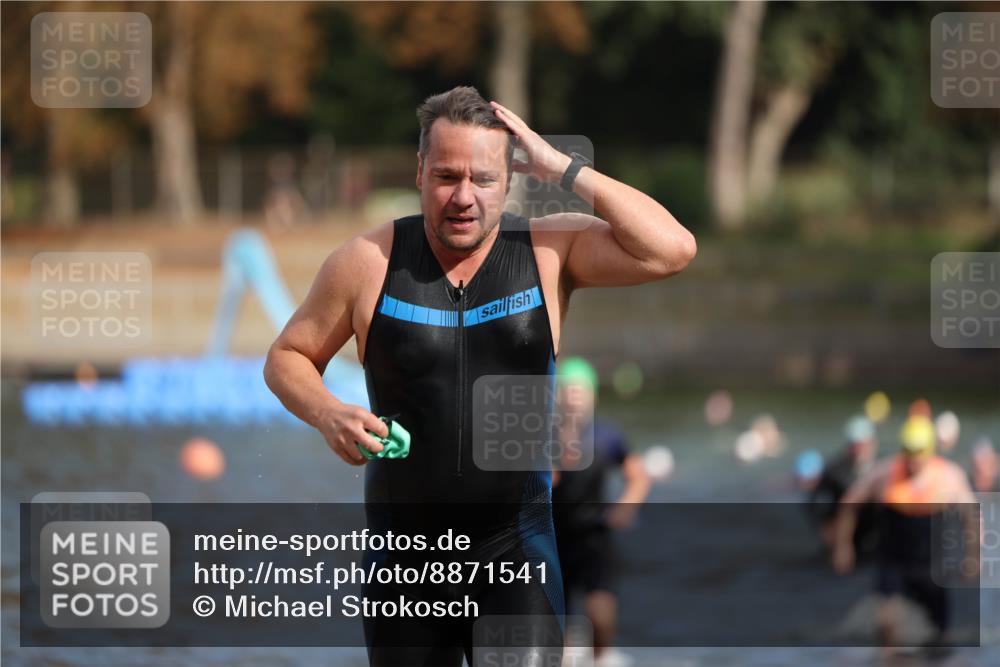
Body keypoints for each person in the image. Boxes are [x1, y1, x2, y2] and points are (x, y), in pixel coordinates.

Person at [264, 86, 696, 666]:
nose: (463, 197)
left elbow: (671, 250)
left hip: (514, 552)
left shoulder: (547, 247)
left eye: (484, 179)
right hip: (404, 563)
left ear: (511, 179)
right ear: (419, 171)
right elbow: (287, 357)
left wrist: (565, 170)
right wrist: (327, 412)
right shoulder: (366, 262)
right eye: (446, 175)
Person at [832, 415, 979, 653]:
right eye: (908, 451)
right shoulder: (884, 473)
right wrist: (843, 547)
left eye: (918, 452)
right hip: (893, 560)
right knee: (888, 620)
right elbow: (849, 503)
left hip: (931, 565)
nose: (912, 460)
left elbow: (971, 515)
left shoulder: (950, 476)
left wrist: (973, 556)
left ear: (930, 449)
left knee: (939, 637)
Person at [550, 356, 651, 667]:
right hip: (554, 535)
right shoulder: (543, 434)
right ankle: (561, 657)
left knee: (601, 608)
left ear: (592, 395)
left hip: (595, 532)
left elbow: (638, 475)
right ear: (556, 395)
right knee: (556, 614)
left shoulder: (607, 435)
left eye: (580, 390)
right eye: (567, 389)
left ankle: (602, 660)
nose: (574, 396)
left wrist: (626, 507)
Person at [808, 415, 878, 551]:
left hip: (871, 531)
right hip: (841, 531)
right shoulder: (835, 470)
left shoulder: (882, 468)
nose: (859, 450)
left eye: (863, 444)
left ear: (872, 443)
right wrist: (824, 527)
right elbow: (814, 501)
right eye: (855, 445)